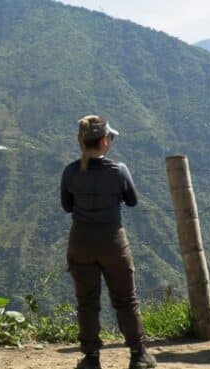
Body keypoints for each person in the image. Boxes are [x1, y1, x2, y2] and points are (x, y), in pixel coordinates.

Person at [60, 115, 156, 369]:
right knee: (126, 298)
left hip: (80, 240)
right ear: (104, 141)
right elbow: (132, 200)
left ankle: (91, 358)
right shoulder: (118, 170)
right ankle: (138, 354)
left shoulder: (70, 171)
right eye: (110, 137)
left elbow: (67, 206)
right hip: (113, 240)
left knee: (87, 300)